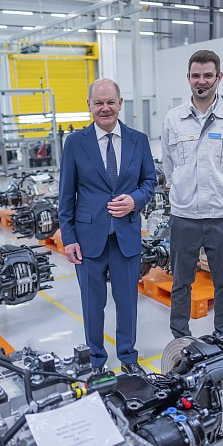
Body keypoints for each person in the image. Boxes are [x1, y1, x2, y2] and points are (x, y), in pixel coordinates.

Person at [58, 78, 156, 375]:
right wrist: (69, 237)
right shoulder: (75, 143)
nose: (105, 108)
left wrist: (135, 200)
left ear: (120, 103)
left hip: (125, 234)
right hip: (88, 239)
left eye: (110, 102)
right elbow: (66, 194)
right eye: (98, 103)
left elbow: (149, 182)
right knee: (92, 303)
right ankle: (97, 361)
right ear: (89, 106)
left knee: (127, 302)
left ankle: (128, 357)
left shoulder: (139, 140)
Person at [161, 50, 223, 339]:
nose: (202, 81)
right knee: (180, 283)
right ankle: (180, 336)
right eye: (196, 75)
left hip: (222, 216)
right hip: (184, 216)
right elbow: (168, 165)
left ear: (219, 77)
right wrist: (181, 190)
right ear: (188, 78)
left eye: (208, 75)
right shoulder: (173, 119)